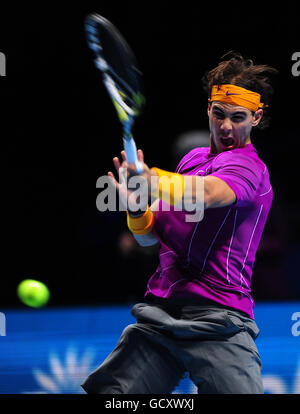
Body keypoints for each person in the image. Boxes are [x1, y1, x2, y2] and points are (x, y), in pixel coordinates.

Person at [81, 52, 277, 394]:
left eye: (238, 117)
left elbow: (209, 193)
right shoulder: (193, 160)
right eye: (219, 114)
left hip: (219, 320)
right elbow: (148, 240)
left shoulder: (249, 168)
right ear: (208, 110)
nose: (227, 126)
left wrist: (152, 179)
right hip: (160, 316)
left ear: (256, 117)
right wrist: (139, 210)